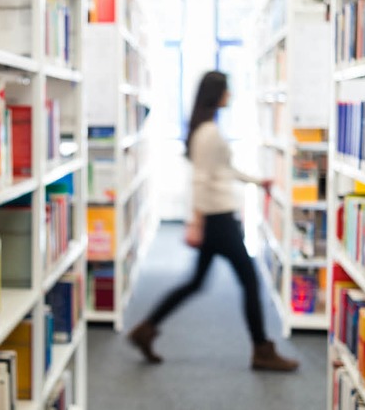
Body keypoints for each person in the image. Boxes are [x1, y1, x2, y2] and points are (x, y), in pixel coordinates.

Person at [127, 71, 299, 372]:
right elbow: (201, 180)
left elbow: (225, 169)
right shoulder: (207, 133)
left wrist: (258, 181)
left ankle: (146, 328)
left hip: (217, 216)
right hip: (217, 219)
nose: (230, 95)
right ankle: (261, 349)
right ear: (216, 93)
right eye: (227, 90)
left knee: (196, 283)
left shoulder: (207, 129)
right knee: (250, 280)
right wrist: (196, 222)